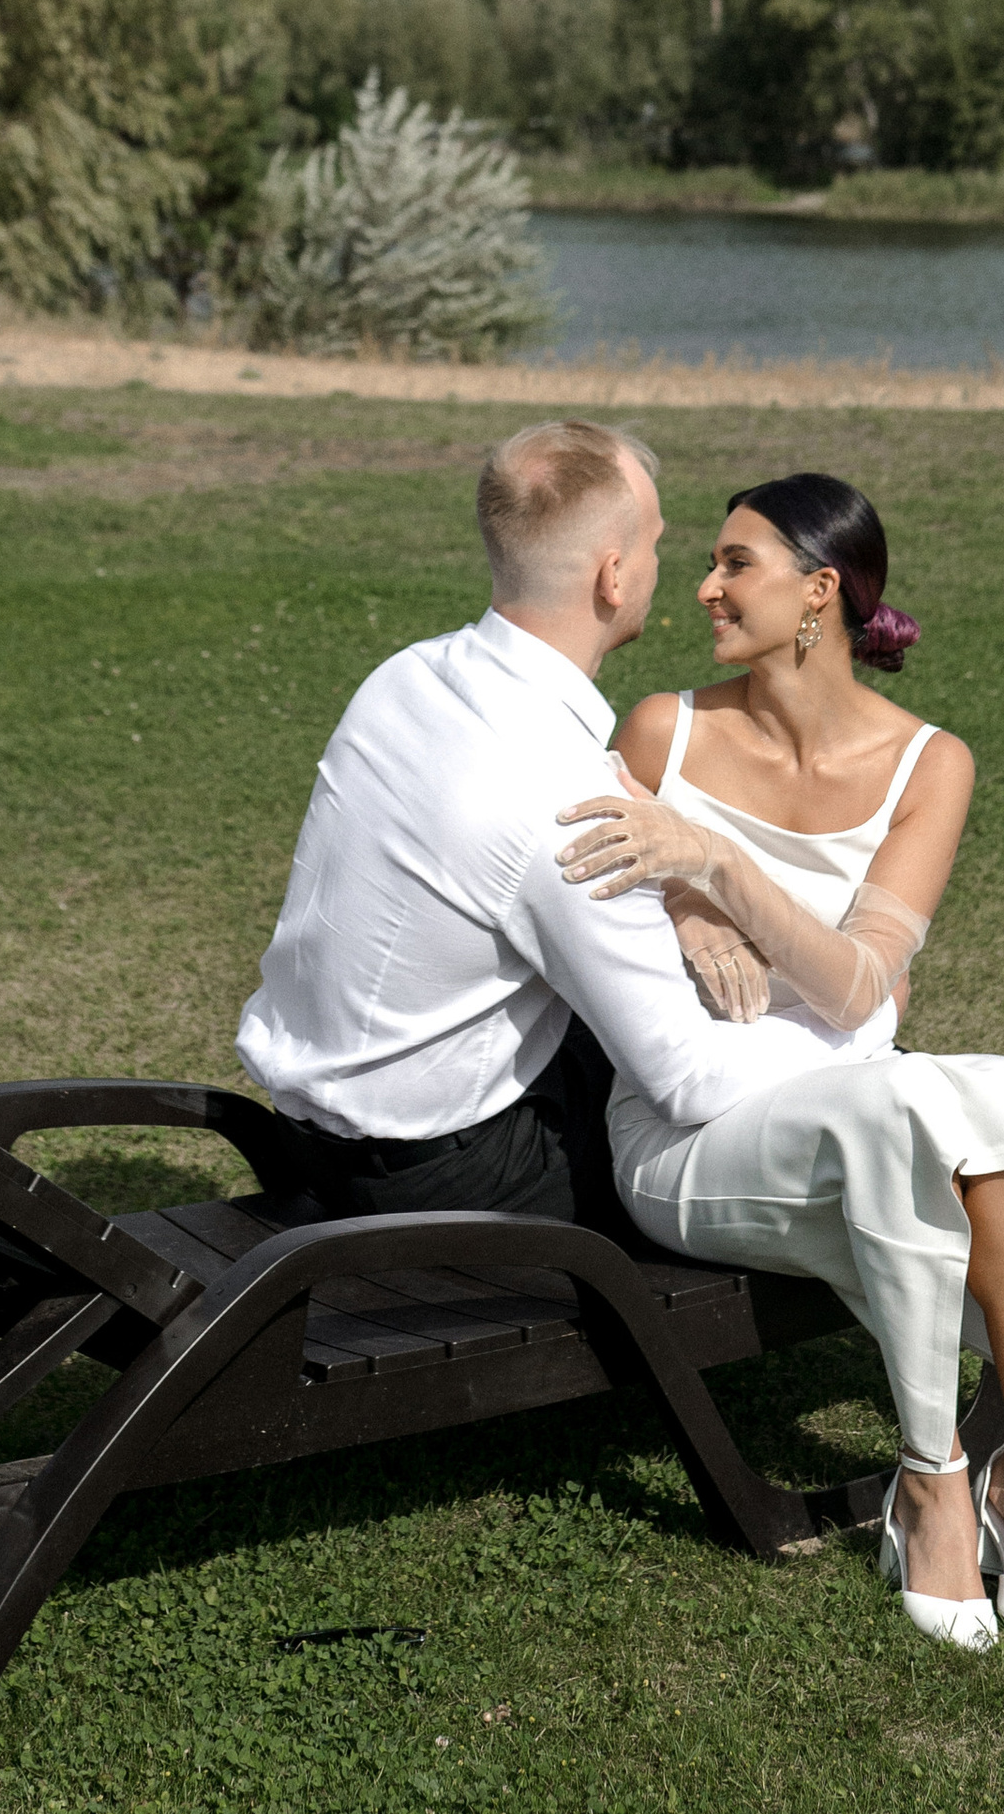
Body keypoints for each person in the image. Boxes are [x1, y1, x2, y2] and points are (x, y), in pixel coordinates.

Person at [555, 470, 1004, 1654]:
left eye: (732, 564)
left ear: (818, 593)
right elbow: (582, 889)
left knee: (981, 1102)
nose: (703, 586)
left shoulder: (930, 766)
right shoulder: (664, 729)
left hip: (849, 1103)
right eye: (704, 561)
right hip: (682, 1134)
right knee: (947, 1103)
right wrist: (684, 910)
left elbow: (861, 983)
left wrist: (708, 869)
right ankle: (929, 1483)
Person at [237, 418, 752, 1231]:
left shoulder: (406, 677)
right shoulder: (562, 794)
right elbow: (691, 1080)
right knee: (751, 1111)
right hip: (443, 1184)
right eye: (656, 544)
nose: (670, 570)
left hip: (308, 1132)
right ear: (613, 576)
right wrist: (862, 1029)